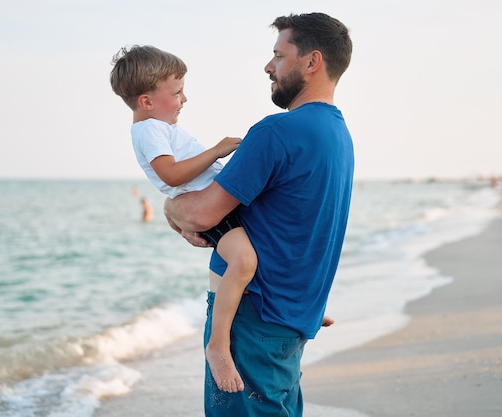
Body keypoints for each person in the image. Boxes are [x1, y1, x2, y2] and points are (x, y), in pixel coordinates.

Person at [164, 12, 353, 417]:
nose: (268, 67)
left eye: (278, 56)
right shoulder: (338, 135)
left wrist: (169, 206)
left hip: (253, 319)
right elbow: (307, 227)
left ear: (311, 61)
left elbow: (200, 214)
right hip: (294, 318)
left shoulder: (276, 132)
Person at [110, 45, 257, 393]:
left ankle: (301, 309)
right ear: (146, 101)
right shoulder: (149, 130)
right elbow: (172, 176)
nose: (184, 99)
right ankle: (218, 346)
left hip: (218, 200)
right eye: (176, 92)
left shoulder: (158, 127)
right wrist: (218, 150)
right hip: (206, 206)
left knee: (270, 246)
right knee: (245, 261)